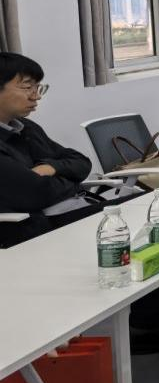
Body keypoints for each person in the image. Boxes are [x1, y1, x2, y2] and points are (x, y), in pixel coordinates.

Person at [0, 53, 92, 248]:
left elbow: (82, 162)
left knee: (147, 207)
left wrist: (51, 168)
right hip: (38, 231)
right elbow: (37, 192)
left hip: (70, 211)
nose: (36, 96)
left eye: (38, 87)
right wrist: (72, 180)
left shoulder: (25, 127)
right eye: (27, 87)